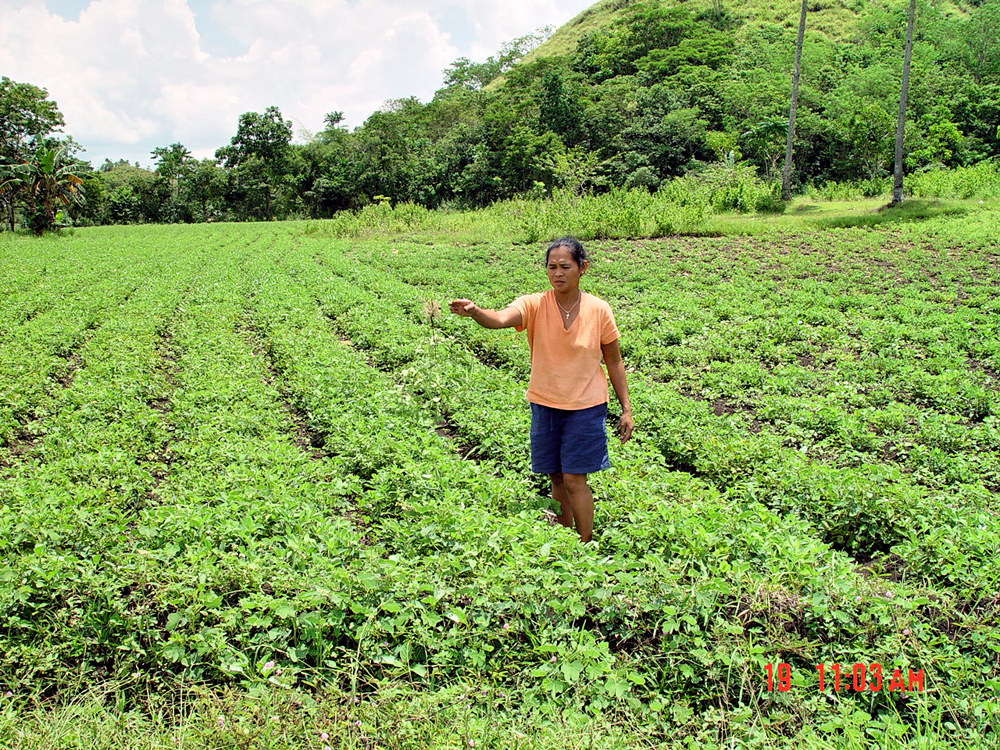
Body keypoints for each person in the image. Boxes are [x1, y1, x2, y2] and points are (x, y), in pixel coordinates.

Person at [450, 236, 632, 543]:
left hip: (585, 407)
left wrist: (626, 408)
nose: (557, 273)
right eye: (551, 267)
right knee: (557, 477)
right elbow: (500, 319)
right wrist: (477, 312)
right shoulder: (534, 303)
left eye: (565, 267)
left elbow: (614, 360)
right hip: (546, 404)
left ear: (583, 268)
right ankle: (565, 538)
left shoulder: (599, 310)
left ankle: (585, 543)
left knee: (574, 478)